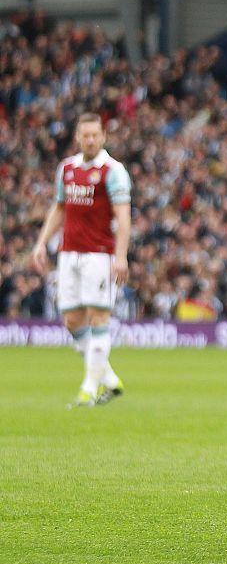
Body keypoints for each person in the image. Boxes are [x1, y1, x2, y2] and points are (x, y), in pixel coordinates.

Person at [31, 113, 131, 408]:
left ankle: (89, 389)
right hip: (68, 253)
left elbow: (123, 215)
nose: (89, 140)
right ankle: (110, 380)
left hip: (98, 254)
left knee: (99, 318)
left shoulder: (113, 170)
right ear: (77, 137)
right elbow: (59, 208)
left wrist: (121, 255)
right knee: (71, 320)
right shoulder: (67, 169)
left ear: (103, 137)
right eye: (84, 135)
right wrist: (40, 243)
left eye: (94, 135)